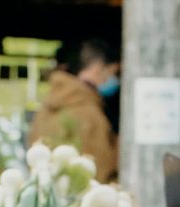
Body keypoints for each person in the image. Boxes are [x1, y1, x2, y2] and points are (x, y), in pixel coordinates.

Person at [29, 39, 119, 182]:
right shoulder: (90, 114)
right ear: (97, 68)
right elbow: (101, 172)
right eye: (114, 73)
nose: (115, 80)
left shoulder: (47, 106)